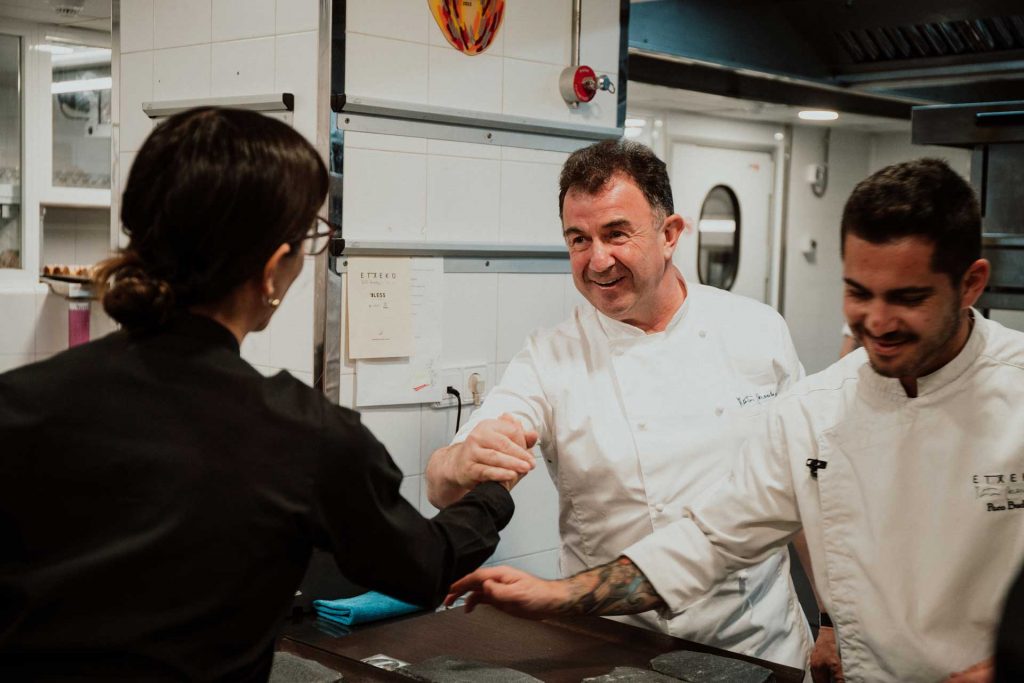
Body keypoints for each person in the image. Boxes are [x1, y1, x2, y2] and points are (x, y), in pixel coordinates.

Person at [447, 158, 1024, 683]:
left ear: (971, 284)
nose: (876, 321)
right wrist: (558, 595)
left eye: (907, 297)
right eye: (857, 293)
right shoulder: (823, 406)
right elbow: (710, 539)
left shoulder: (1015, 387)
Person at [0, 108, 519, 680]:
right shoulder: (303, 435)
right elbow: (424, 565)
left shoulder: (19, 401)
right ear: (274, 268)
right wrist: (491, 494)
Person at [426, 140, 812, 669]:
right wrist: (461, 461)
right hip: (613, 648)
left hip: (757, 643)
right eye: (578, 239)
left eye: (616, 234)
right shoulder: (551, 356)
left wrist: (834, 620)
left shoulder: (758, 330)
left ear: (670, 233)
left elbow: (809, 488)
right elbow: (442, 485)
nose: (597, 260)